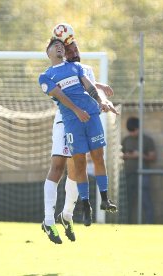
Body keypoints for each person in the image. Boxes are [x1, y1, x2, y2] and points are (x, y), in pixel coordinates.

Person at [38, 38, 118, 244]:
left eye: (66, 47)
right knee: (57, 167)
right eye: (59, 45)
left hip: (84, 119)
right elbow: (62, 93)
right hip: (64, 121)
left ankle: (66, 215)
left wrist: (104, 100)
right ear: (48, 51)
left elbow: (90, 88)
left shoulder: (81, 68)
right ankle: (48, 219)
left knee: (77, 169)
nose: (64, 48)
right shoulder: (46, 75)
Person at [121, 117, 156, 224]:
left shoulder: (147, 140)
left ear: (139, 128)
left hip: (142, 175)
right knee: (127, 202)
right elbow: (120, 155)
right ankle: (126, 224)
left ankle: (150, 225)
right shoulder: (126, 140)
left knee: (146, 201)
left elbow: (153, 158)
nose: (132, 133)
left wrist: (140, 155)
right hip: (128, 175)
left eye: (134, 130)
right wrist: (127, 155)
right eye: (130, 131)